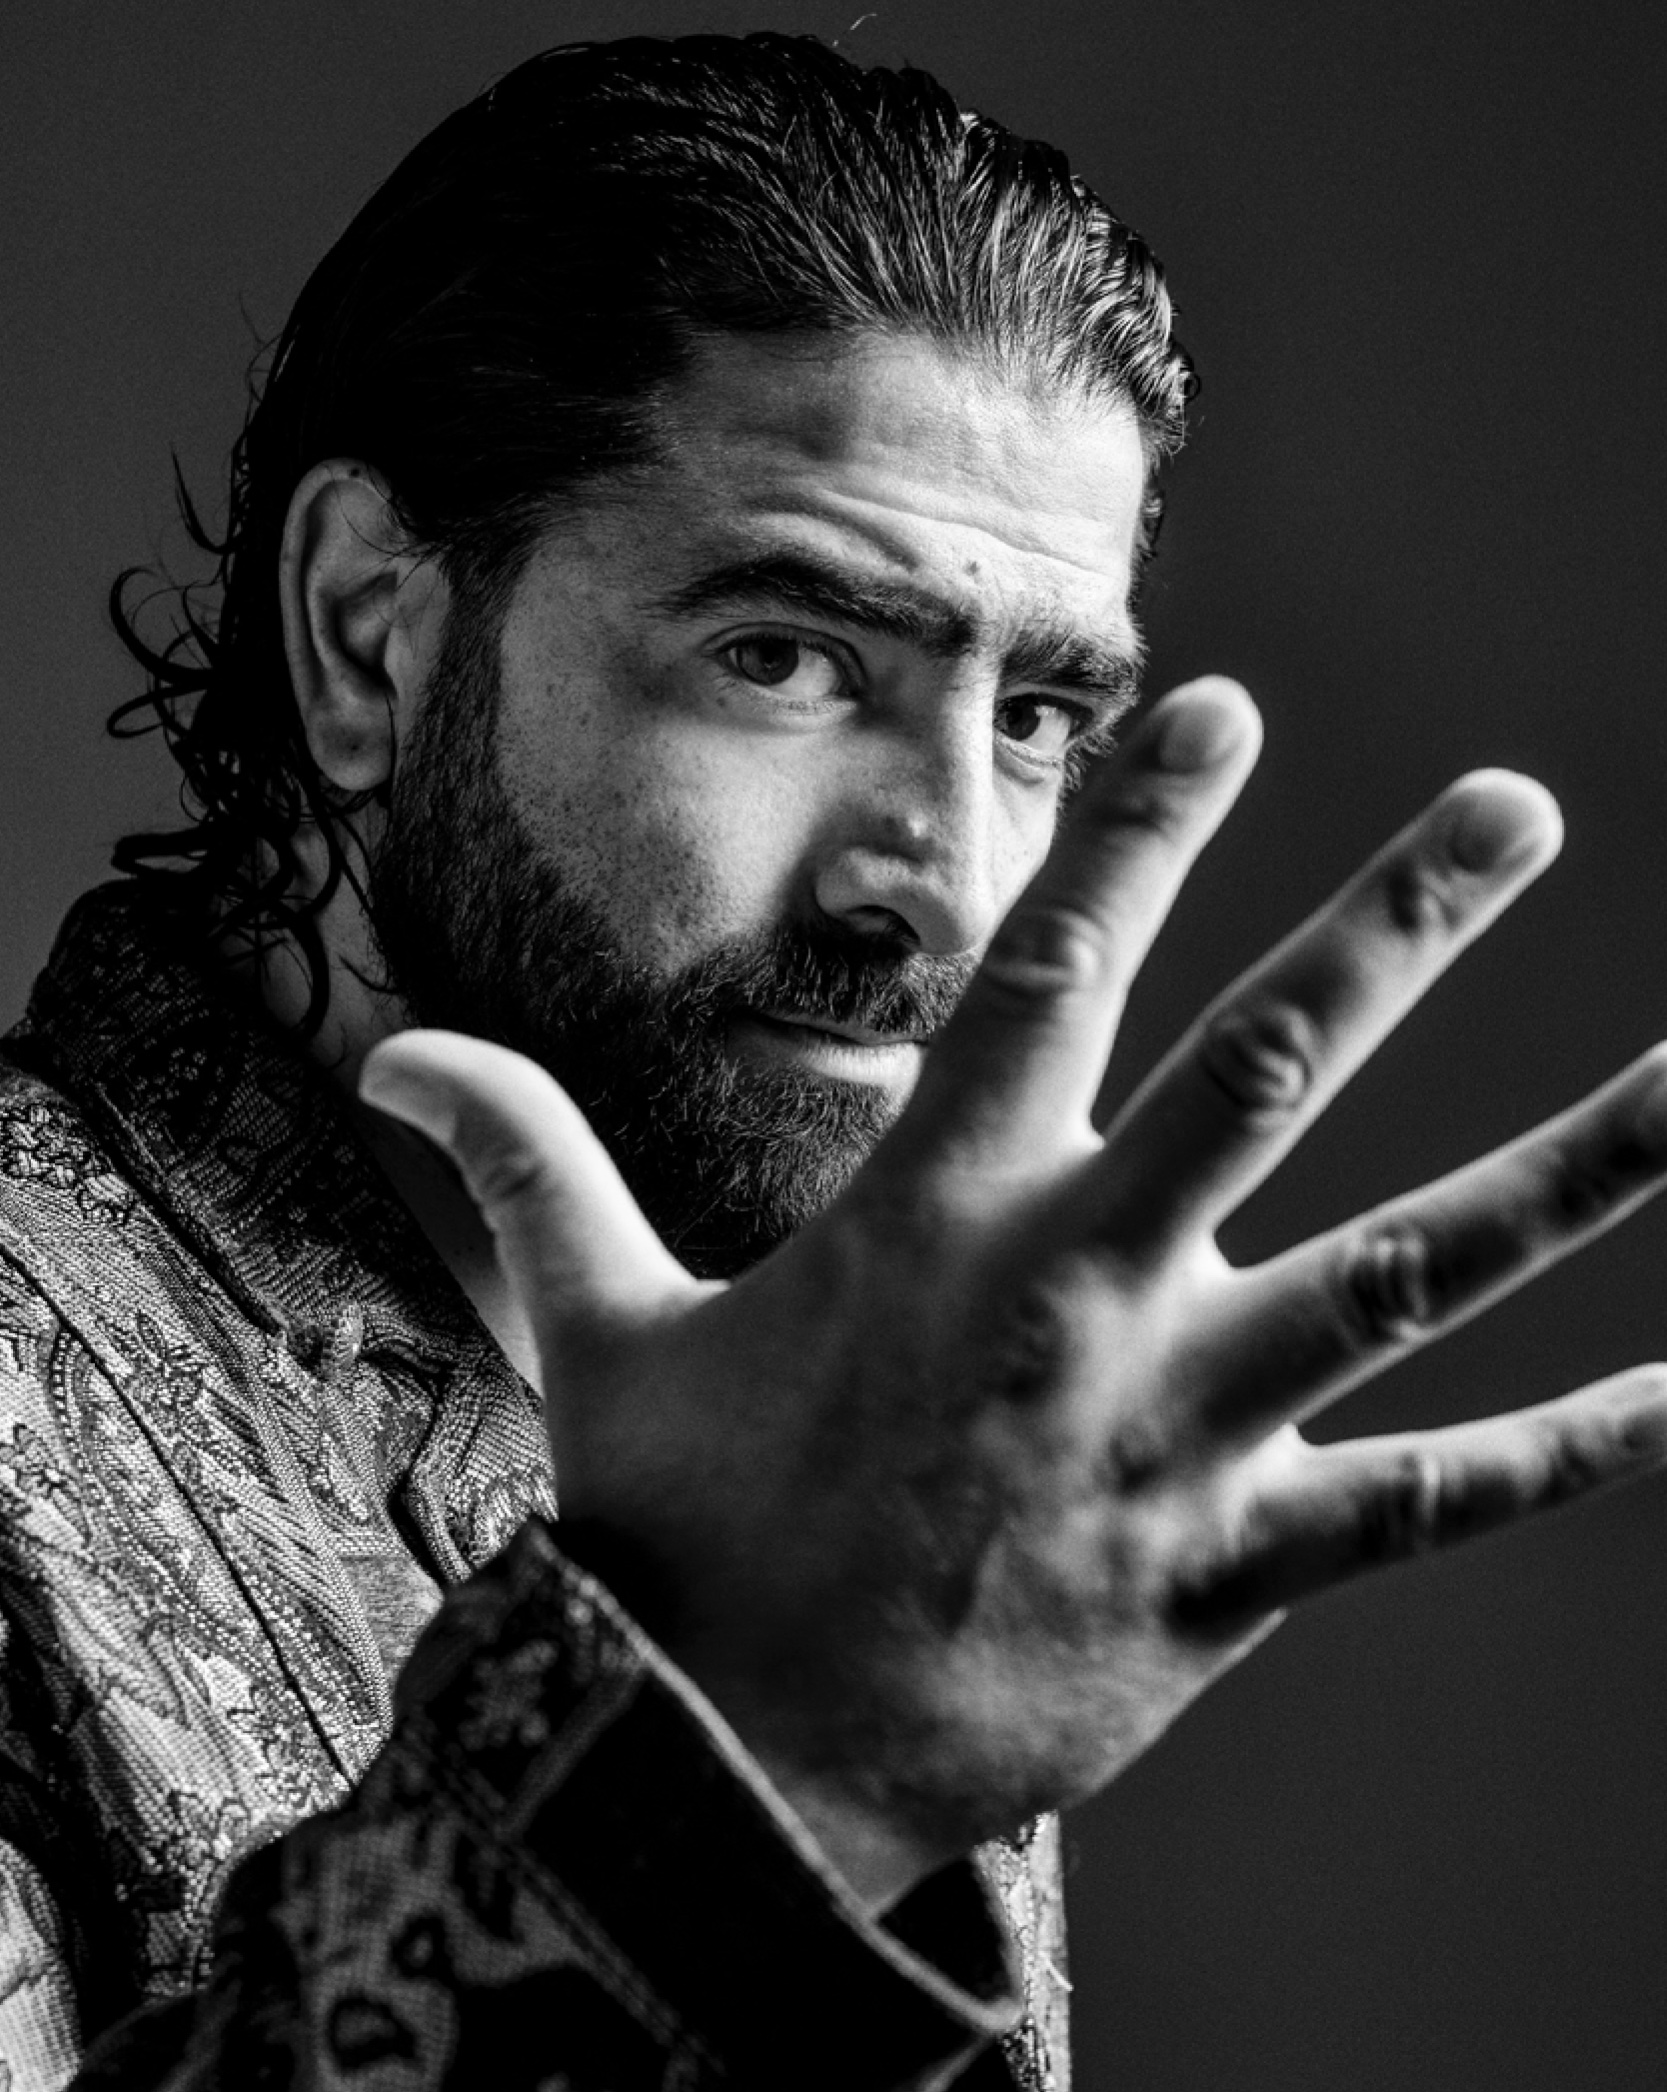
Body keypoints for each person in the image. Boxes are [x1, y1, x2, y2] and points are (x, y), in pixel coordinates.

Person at [3, 30, 1666, 2090]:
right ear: (368, 630)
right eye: (783, 659)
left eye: (1039, 718)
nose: (946, 885)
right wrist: (767, 1756)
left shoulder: (885, 1390)